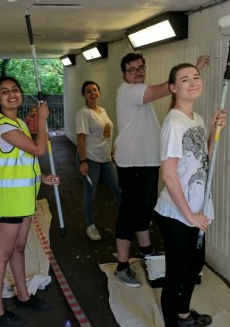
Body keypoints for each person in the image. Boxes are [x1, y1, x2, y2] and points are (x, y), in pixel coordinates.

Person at [113, 53, 210, 287]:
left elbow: (170, 100)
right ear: (124, 75)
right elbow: (163, 91)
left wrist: (185, 78)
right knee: (129, 212)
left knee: (144, 208)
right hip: (133, 163)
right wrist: (190, 73)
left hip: (147, 163)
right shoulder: (128, 90)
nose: (138, 72)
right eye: (132, 69)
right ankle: (122, 266)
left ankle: (146, 250)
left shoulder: (141, 97)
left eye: (141, 68)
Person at [154, 63, 225, 327]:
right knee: (177, 276)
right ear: (173, 88)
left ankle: (183, 316)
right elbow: (169, 176)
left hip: (197, 210)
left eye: (196, 77)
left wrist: (215, 132)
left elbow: (204, 157)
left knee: (193, 268)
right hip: (177, 214)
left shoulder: (195, 118)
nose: (193, 82)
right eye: (185, 79)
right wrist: (190, 216)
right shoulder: (173, 123)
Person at [0, 76, 60, 327]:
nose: (11, 94)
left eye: (15, 89)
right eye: (4, 92)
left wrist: (42, 177)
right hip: (9, 202)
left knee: (18, 249)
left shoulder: (17, 123)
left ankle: (23, 296)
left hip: (24, 200)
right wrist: (41, 119)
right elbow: (39, 150)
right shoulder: (4, 127)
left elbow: (25, 159)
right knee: (2, 254)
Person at [75, 81, 121, 241]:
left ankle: (125, 222)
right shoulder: (83, 113)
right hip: (90, 158)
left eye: (95, 90)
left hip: (106, 159)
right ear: (84, 94)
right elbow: (80, 138)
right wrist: (83, 161)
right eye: (88, 91)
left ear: (99, 92)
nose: (92, 93)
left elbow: (106, 135)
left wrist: (112, 153)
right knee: (91, 192)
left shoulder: (103, 111)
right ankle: (90, 226)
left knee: (118, 189)